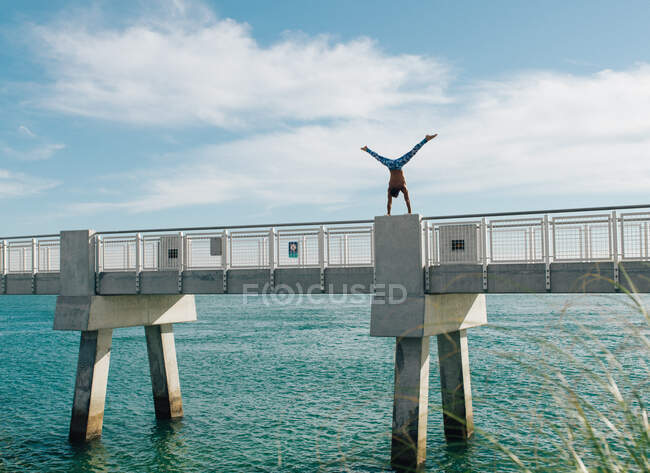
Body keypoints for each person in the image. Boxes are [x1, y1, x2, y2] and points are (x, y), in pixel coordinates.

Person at [361, 134, 437, 215]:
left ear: (398, 192)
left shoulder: (401, 186)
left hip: (398, 164)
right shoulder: (391, 187)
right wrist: (389, 213)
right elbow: (391, 202)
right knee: (379, 157)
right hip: (391, 165)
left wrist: (408, 212)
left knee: (412, 152)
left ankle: (425, 139)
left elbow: (405, 200)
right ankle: (367, 149)